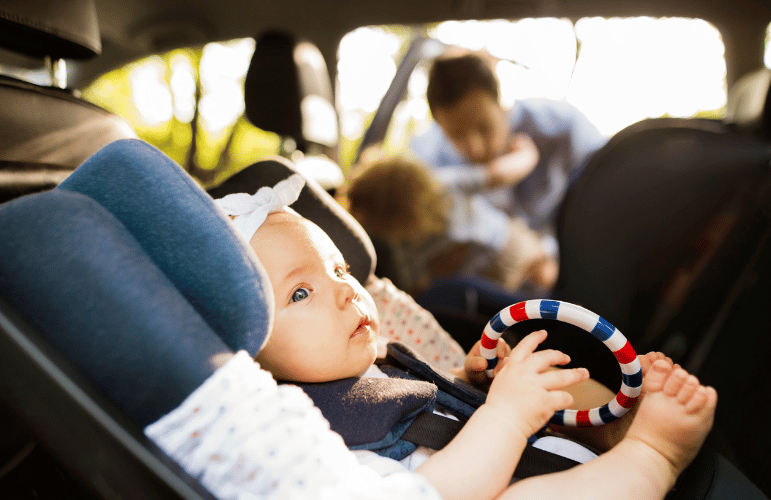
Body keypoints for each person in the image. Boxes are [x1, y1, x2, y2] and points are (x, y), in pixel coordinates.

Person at [204, 174, 717, 500]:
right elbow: (432, 491)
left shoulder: (379, 361)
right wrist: (508, 415)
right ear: (250, 352)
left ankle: (617, 425)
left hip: (549, 460)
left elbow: (417, 402)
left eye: (340, 269)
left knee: (546, 378)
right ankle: (654, 453)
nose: (346, 292)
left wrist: (467, 379)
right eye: (300, 294)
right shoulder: (303, 436)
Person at [410, 50, 609, 291]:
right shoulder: (429, 163)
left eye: (484, 127)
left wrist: (551, 255)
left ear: (501, 101)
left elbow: (607, 199)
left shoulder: (562, 128)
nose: (474, 148)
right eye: (456, 135)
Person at [342, 153, 558, 295]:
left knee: (545, 274)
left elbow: (495, 174)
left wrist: (526, 155)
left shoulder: (444, 184)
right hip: (486, 274)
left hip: (507, 244)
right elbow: (414, 286)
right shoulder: (403, 244)